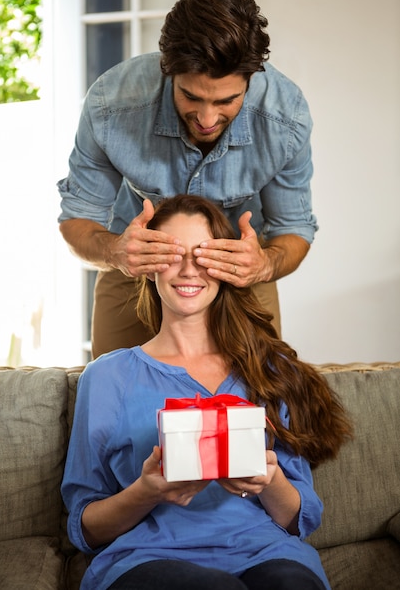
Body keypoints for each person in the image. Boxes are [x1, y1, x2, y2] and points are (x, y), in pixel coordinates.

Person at [61, 195, 352, 590]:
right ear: (149, 267)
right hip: (149, 558)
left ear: (225, 266)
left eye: (203, 255)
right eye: (172, 254)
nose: (188, 270)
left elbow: (298, 519)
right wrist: (146, 492)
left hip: (266, 551)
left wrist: (269, 480)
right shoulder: (107, 376)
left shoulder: (270, 371)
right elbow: (86, 529)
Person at [57, 0, 318, 358]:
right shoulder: (110, 105)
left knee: (262, 398)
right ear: (168, 69)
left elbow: (294, 230)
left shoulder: (285, 118)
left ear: (251, 78)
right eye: (191, 97)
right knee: (111, 387)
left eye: (227, 101)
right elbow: (78, 220)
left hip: (241, 268)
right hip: (135, 265)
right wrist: (116, 252)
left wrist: (264, 264)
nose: (207, 119)